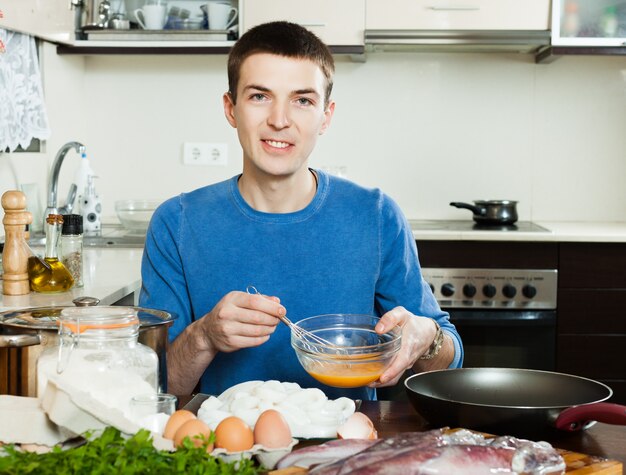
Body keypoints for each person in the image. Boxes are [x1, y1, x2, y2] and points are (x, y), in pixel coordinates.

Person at [139, 21, 463, 401]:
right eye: (260, 96)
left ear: (326, 116)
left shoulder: (375, 215)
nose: (280, 119)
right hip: (225, 450)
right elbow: (154, 393)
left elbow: (447, 362)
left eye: (303, 100)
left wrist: (427, 338)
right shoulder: (176, 223)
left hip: (348, 444)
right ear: (231, 108)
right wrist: (204, 336)